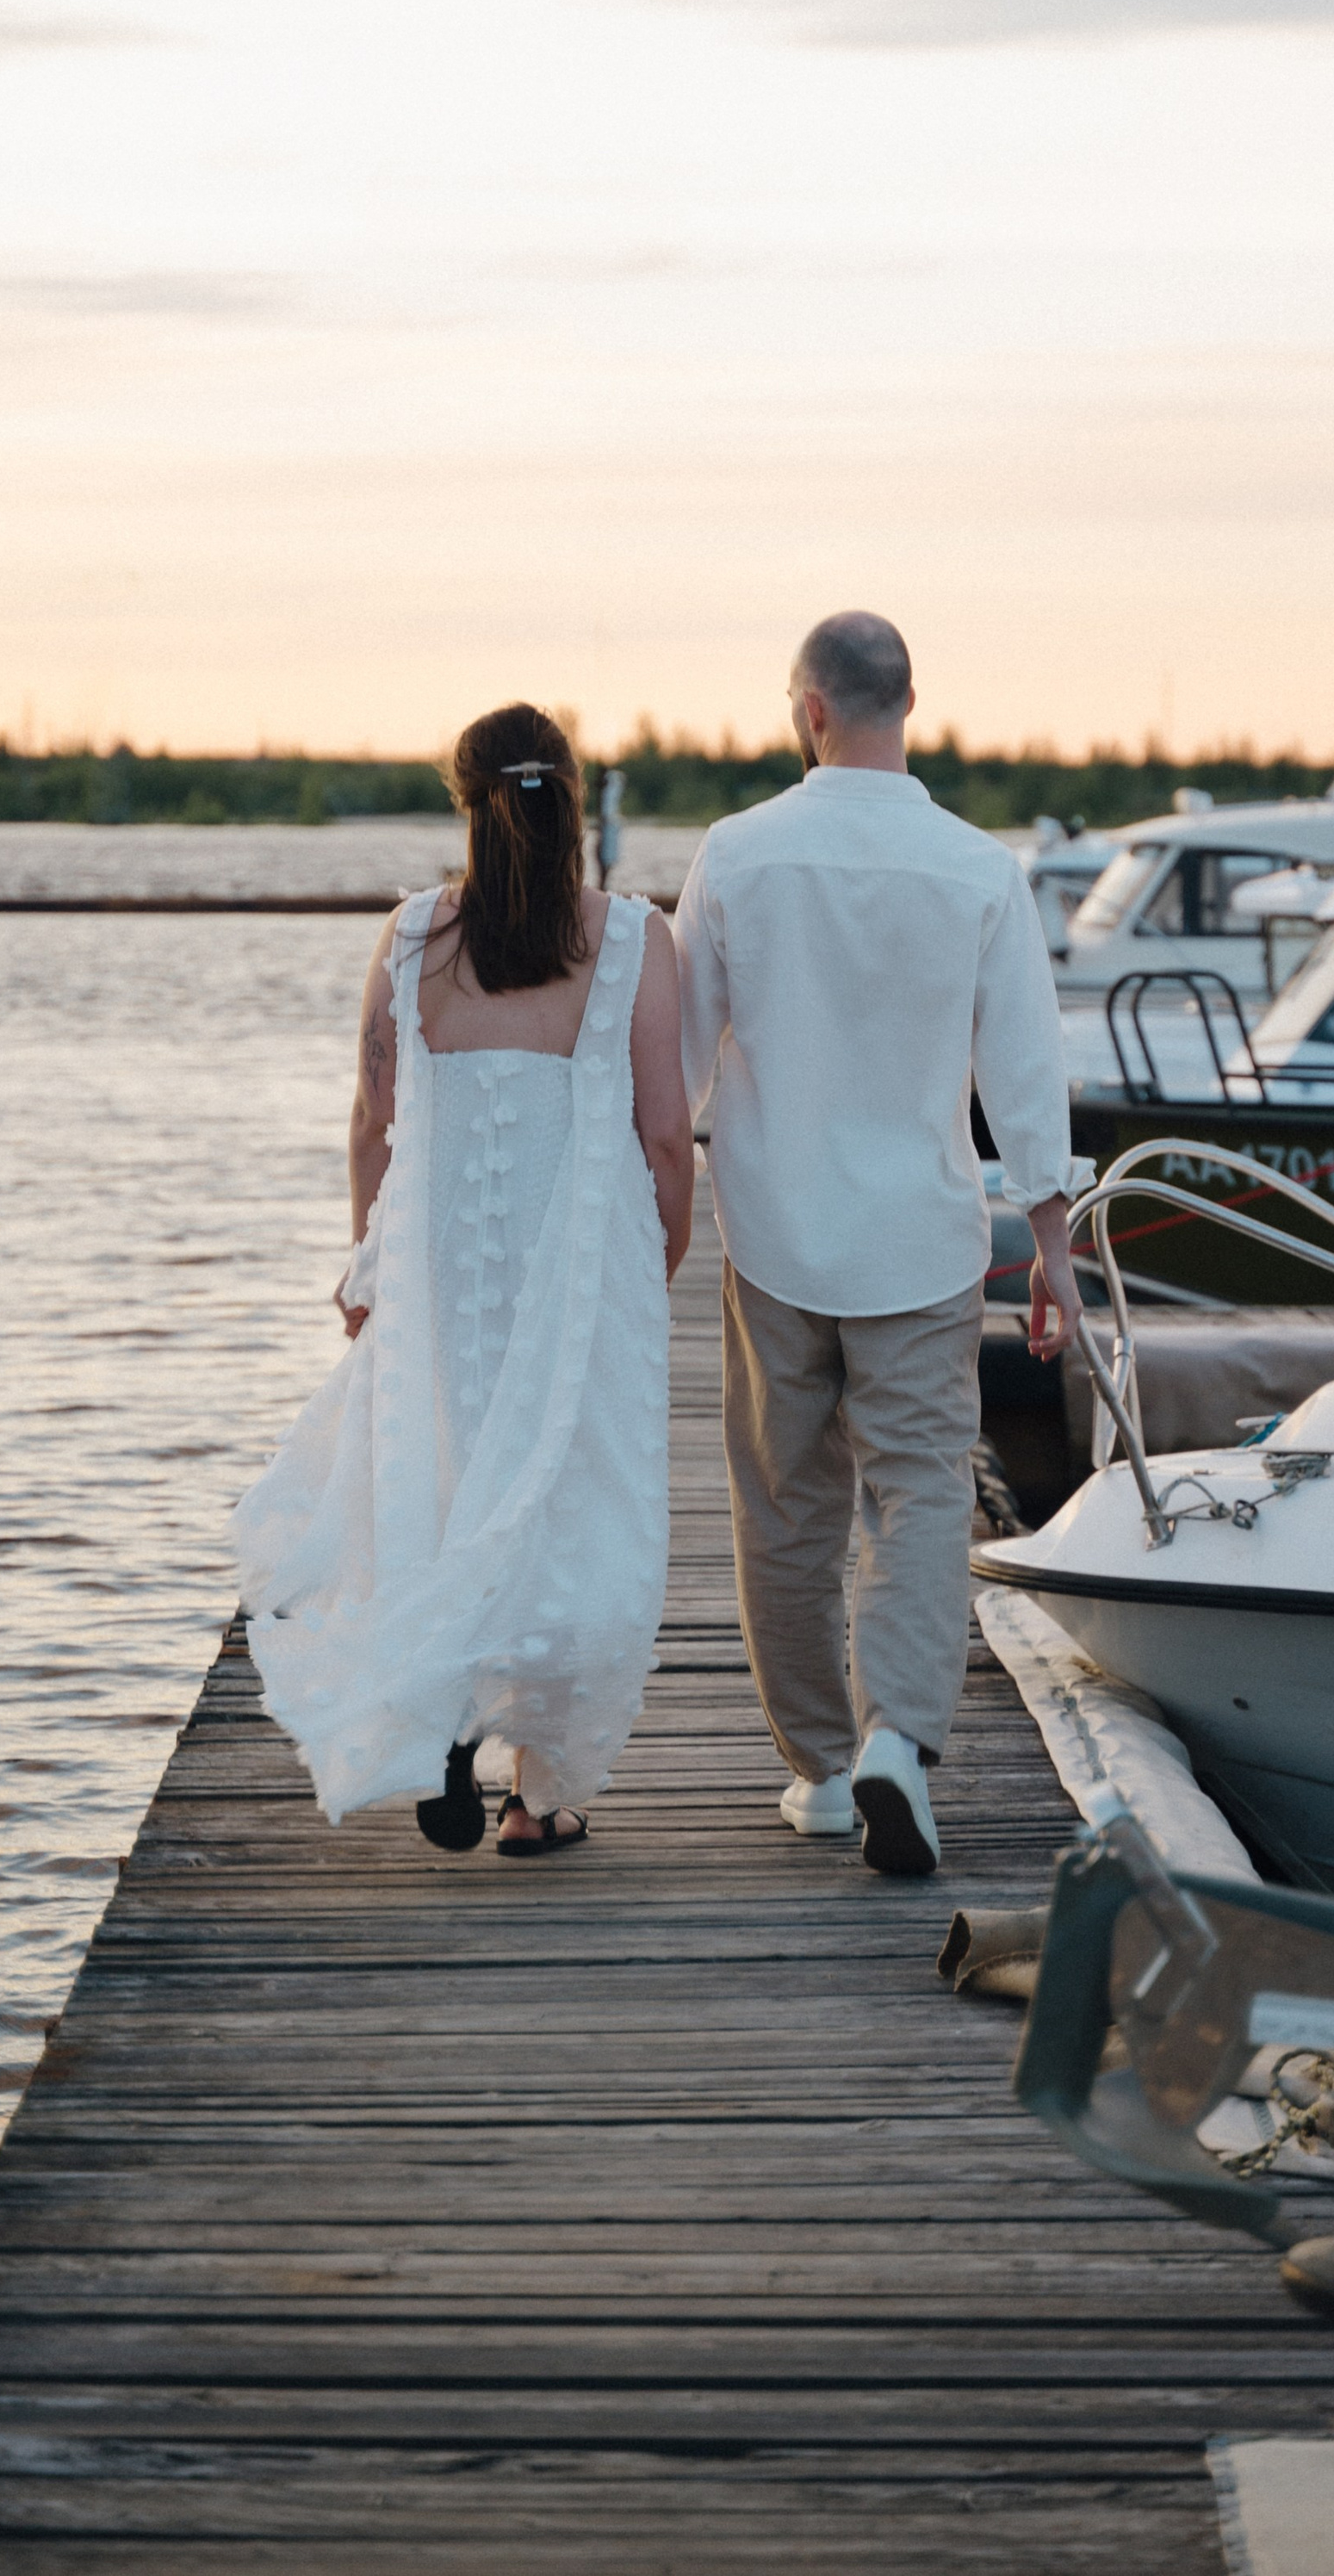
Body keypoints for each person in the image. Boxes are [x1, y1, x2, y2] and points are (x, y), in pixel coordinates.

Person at [234, 705, 692, 1856]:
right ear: (575, 798)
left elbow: (372, 1119)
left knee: (439, 1482)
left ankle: (442, 1717)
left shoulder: (412, 939)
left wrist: (364, 1261)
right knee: (573, 1505)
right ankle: (537, 1798)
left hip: (443, 1265)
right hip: (580, 1262)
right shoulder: (634, 940)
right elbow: (665, 1136)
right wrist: (663, 1255)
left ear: (466, 801)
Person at [673, 611, 1086, 1879]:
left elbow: (678, 1061)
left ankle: (820, 1772)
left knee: (788, 1505)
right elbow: (1026, 1074)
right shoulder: (978, 867)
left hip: (776, 1233)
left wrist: (640, 1214)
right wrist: (1056, 1255)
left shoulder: (737, 855)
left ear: (807, 709)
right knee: (916, 1496)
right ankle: (899, 1737)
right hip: (922, 1239)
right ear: (912, 702)